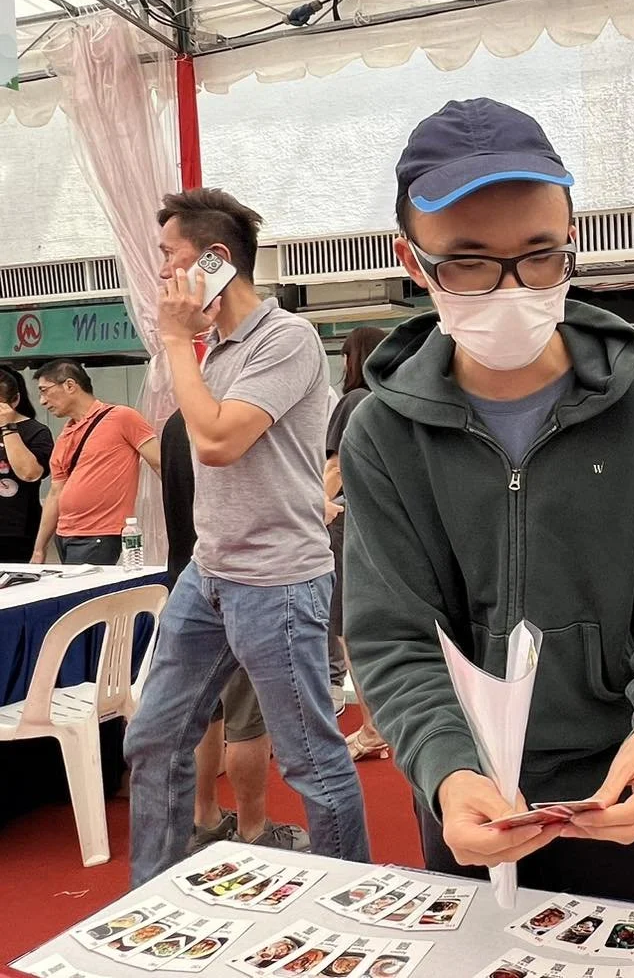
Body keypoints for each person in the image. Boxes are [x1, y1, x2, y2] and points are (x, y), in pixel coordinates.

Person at [342, 98, 634, 905]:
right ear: (412, 260)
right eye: (470, 262)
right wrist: (447, 771)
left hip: (622, 802)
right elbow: (395, 641)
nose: (511, 288)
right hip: (467, 803)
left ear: (572, 240)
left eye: (541, 255)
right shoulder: (383, 436)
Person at [123, 186, 369, 886]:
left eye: (170, 257)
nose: (162, 275)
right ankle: (152, 901)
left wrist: (176, 341)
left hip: (278, 579)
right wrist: (187, 346)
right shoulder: (217, 350)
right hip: (210, 572)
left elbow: (219, 440)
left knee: (312, 760)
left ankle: (357, 895)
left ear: (216, 258)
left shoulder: (285, 338)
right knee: (153, 738)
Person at [159, 407, 310, 854]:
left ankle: (203, 815)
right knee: (247, 718)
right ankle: (252, 826)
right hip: (240, 581)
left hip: (185, 576)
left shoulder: (174, 423)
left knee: (208, 712)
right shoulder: (236, 425)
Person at [320, 325, 389, 760]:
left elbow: (336, 467)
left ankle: (371, 726)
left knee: (348, 630)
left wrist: (314, 509)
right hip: (381, 526)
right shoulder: (390, 403)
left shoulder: (354, 401)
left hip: (348, 522)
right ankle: (376, 723)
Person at [32, 359, 160, 565]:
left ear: (70, 385)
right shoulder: (65, 435)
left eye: (45, 391)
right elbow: (55, 492)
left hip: (99, 533)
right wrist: (39, 549)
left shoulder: (121, 417)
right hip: (64, 535)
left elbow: (161, 464)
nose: (42, 401)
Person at [0, 367, 54, 562]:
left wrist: (7, 427)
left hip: (16, 532)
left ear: (14, 401)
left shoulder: (36, 432)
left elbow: (30, 473)